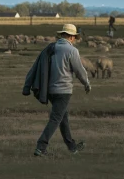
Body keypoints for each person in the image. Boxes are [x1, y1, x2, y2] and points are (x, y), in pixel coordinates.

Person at [23, 24, 91, 157]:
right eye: (74, 37)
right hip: (63, 90)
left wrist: (27, 86)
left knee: (62, 117)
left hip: (50, 90)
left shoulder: (50, 48)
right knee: (55, 118)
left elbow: (35, 66)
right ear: (71, 37)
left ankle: (72, 147)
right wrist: (86, 83)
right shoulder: (72, 51)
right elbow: (79, 71)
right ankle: (41, 147)